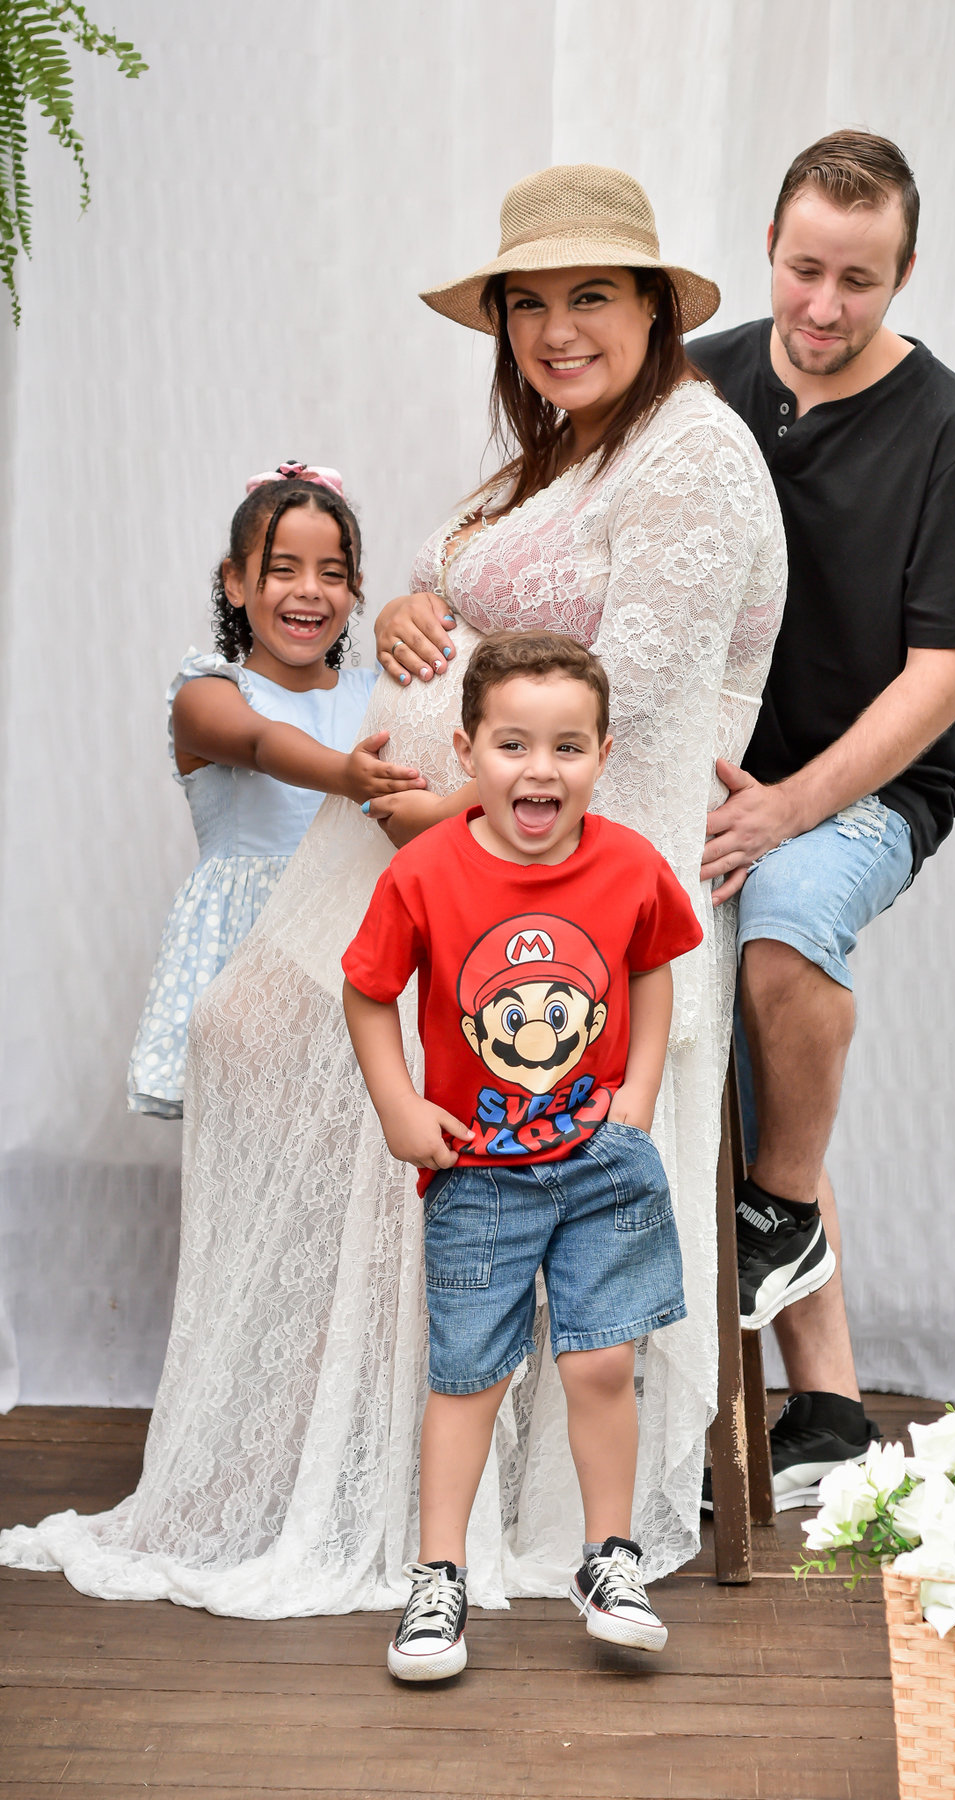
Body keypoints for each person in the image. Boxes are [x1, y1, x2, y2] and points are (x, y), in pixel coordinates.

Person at [0, 164, 785, 1617]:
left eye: (589, 296)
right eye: (526, 305)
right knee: (241, 1037)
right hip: (440, 852)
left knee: (335, 1069)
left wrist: (452, 810)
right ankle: (315, 1426)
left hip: (556, 885)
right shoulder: (559, 450)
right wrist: (423, 604)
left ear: (653, 308)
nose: (555, 330)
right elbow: (464, 598)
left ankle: (388, 1464)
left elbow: (624, 699)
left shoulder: (691, 454)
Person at [689, 131, 955, 1509]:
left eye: (860, 280)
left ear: (907, 273)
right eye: (803, 270)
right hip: (701, 783)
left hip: (868, 794)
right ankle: (826, 1409)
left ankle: (775, 1215)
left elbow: (941, 677)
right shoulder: (696, 383)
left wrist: (787, 810)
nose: (823, 307)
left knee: (783, 926)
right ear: (768, 247)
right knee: (724, 1049)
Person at [344, 632, 703, 1679]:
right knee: (469, 1377)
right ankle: (439, 1578)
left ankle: (610, 1558)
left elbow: (652, 970)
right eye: (512, 744)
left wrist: (637, 1097)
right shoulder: (426, 871)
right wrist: (399, 1106)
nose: (539, 769)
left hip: (600, 1164)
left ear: (602, 755)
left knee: (602, 1361)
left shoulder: (630, 865)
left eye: (566, 747)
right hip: (478, 1174)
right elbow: (368, 991)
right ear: (467, 752)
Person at [127, 464, 423, 1117]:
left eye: (333, 573)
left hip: (356, 939)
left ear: (356, 590)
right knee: (260, 1128)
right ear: (234, 581)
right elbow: (262, 744)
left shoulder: (378, 694)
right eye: (283, 569)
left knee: (352, 1129)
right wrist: (345, 776)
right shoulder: (208, 694)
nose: (309, 590)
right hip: (254, 946)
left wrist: (404, 611)